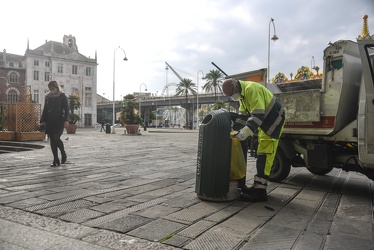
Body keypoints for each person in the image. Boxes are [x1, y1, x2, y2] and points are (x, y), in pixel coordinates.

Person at [222, 78, 285, 202]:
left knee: (265, 156)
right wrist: (235, 131)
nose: (233, 97)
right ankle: (257, 187)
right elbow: (242, 117)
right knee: (262, 153)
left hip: (273, 122)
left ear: (236, 87)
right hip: (265, 123)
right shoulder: (243, 95)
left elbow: (257, 115)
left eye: (232, 94)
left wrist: (244, 133)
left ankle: (260, 192)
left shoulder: (251, 89)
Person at [40, 81, 69, 166]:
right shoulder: (48, 97)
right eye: (50, 89)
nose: (52, 90)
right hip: (50, 121)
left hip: (59, 120)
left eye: (53, 88)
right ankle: (55, 159)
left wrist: (66, 120)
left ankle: (63, 153)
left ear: (57, 88)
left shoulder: (62, 96)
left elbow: (67, 109)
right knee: (52, 140)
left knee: (56, 137)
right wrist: (42, 120)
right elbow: (45, 109)